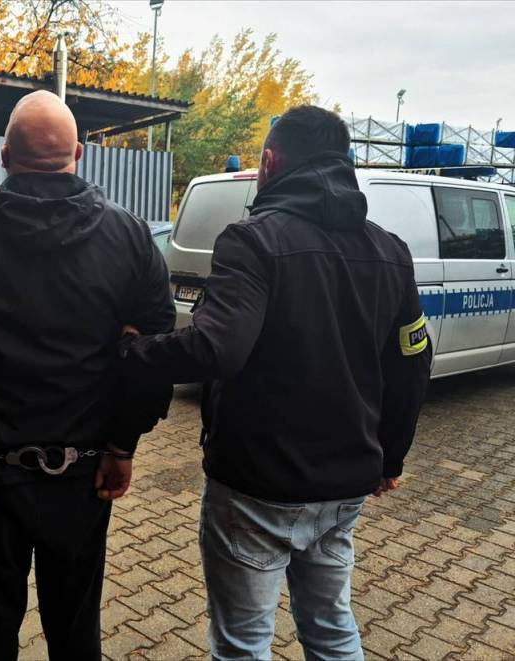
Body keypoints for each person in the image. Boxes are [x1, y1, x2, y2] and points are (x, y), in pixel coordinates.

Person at [120, 105, 432, 660]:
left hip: (257, 485)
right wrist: (391, 458)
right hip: (345, 483)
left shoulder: (253, 241)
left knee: (244, 642)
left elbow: (217, 347)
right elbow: (414, 357)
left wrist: (131, 353)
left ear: (269, 163)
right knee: (331, 626)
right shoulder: (391, 251)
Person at [0, 90, 176, 660]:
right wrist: (123, 444)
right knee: (76, 632)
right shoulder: (131, 239)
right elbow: (153, 356)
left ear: (5, 156)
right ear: (78, 153)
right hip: (84, 475)